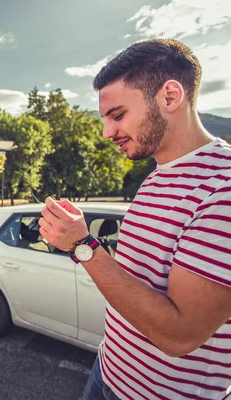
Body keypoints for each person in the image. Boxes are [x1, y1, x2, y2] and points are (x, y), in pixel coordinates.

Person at [38, 39, 231, 400]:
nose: (106, 133)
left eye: (118, 115)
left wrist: (83, 245)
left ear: (170, 96)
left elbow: (180, 336)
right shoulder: (156, 175)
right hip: (108, 371)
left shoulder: (223, 187)